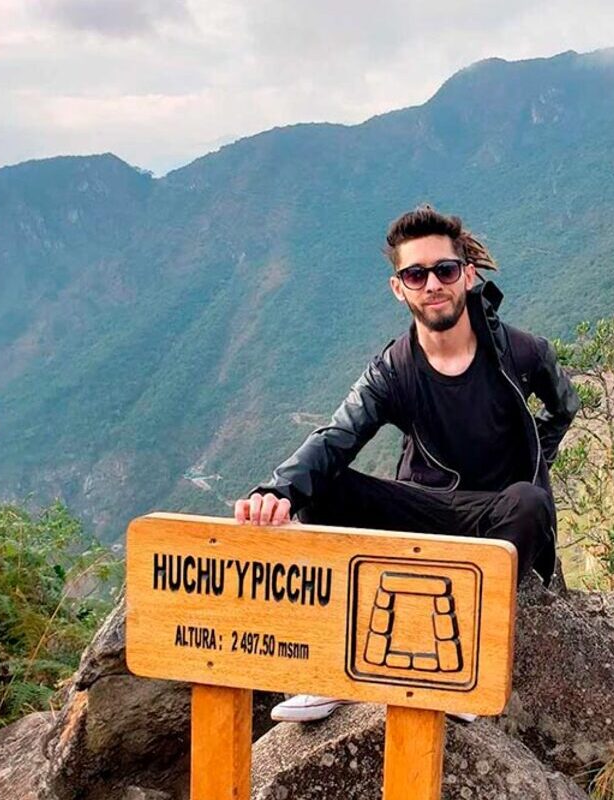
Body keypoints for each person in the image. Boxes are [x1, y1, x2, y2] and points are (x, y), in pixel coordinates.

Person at [235, 204, 580, 723]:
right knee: (324, 487)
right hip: (427, 510)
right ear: (400, 288)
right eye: (415, 274)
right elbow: (336, 438)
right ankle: (337, 671)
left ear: (466, 274)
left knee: (530, 503)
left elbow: (564, 407)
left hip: (493, 520)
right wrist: (278, 490)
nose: (432, 285)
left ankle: (459, 669)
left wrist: (534, 457)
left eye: (443, 270)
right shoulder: (393, 369)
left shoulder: (522, 354)